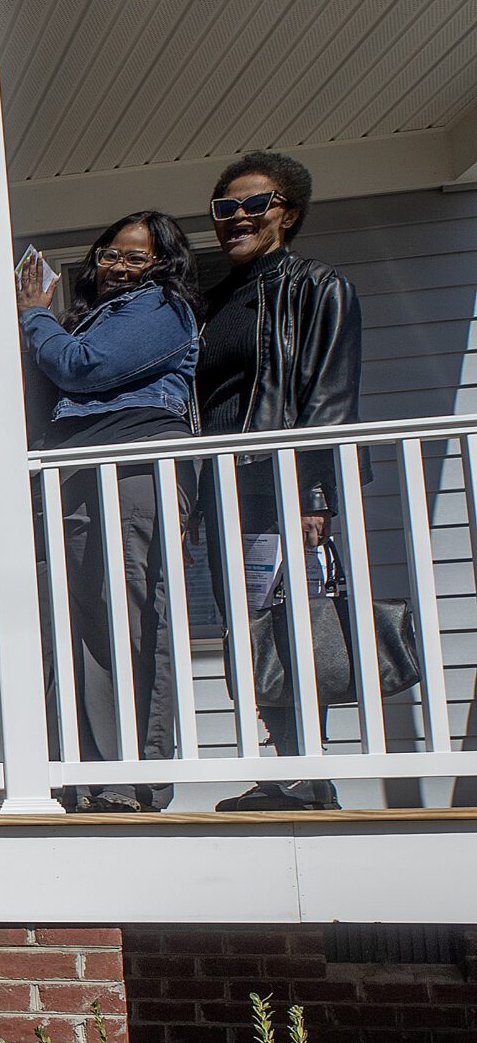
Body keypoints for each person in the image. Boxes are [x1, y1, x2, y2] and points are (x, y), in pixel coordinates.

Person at [196, 151, 363, 812]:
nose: (236, 218)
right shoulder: (213, 299)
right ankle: (288, 770)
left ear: (287, 213)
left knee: (295, 624)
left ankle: (305, 775)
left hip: (281, 483)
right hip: (224, 485)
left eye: (252, 205)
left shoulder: (318, 286)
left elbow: (331, 397)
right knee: (251, 628)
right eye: (224, 208)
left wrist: (315, 497)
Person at [19, 211, 201, 812]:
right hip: (77, 471)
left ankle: (138, 775)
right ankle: (100, 774)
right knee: (91, 627)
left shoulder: (161, 308)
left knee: (132, 615)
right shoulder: (92, 317)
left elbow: (84, 366)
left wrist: (36, 313)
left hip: (133, 466)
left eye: (136, 257)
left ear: (162, 265)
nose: (119, 266)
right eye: (110, 255)